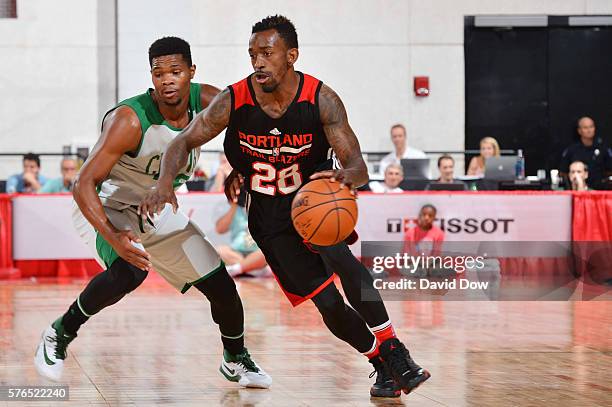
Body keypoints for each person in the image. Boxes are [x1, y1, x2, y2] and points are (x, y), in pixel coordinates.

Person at [140, 16, 429, 398]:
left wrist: (344, 179)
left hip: (314, 203)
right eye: (252, 54)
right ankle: (380, 363)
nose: (257, 62)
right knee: (328, 303)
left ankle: (394, 347)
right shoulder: (234, 99)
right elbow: (182, 143)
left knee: (345, 262)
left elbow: (357, 166)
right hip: (270, 219)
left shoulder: (320, 98)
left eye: (267, 53)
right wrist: (164, 184)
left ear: (291, 55)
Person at [34, 37, 271, 388]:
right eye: (159, 73)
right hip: (106, 205)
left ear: (191, 72)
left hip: (155, 207)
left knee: (221, 284)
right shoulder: (130, 120)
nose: (167, 80)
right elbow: (82, 183)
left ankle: (235, 358)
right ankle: (59, 333)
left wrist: (240, 165)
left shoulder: (209, 102)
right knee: (131, 270)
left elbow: (250, 129)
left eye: (175, 71)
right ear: (152, 77)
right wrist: (114, 237)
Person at [215, 189, 268, 277]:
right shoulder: (234, 209)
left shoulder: (262, 208)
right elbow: (219, 229)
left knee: (266, 253)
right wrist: (234, 206)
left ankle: (238, 269)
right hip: (236, 252)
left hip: (257, 251)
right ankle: (252, 269)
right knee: (219, 251)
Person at [560, 116, 612, 189]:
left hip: (599, 191)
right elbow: (563, 172)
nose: (589, 130)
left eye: (591, 127)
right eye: (585, 127)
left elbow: (609, 170)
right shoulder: (572, 150)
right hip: (576, 190)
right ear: (579, 130)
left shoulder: (603, 149)